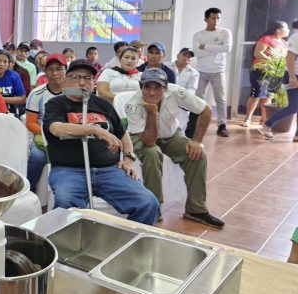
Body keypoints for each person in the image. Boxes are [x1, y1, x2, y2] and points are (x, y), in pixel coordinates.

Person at [43, 60, 159, 225]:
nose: (82, 82)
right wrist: (95, 130)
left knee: (148, 203)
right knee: (65, 202)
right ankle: (68, 239)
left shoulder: (103, 104)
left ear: (93, 83)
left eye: (87, 78)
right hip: (69, 170)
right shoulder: (56, 104)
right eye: (76, 77)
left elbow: (123, 134)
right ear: (66, 80)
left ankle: (125, 239)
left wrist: (128, 158)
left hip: (109, 170)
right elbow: (56, 128)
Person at [123, 69, 224, 228]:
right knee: (152, 153)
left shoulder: (177, 92)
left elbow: (205, 110)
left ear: (166, 87)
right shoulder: (132, 104)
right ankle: (154, 208)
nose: (152, 92)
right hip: (142, 137)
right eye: (147, 87)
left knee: (196, 155)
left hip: (170, 135)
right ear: (141, 87)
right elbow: (149, 141)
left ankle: (196, 209)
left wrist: (197, 141)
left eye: (157, 87)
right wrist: (152, 113)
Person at [25, 53, 67, 193]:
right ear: (45, 72)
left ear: (66, 70)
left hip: (69, 136)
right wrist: (50, 132)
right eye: (50, 69)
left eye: (59, 69)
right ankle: (29, 189)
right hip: (43, 136)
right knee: (37, 157)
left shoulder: (73, 92)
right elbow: (31, 123)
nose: (55, 73)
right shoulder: (37, 94)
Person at [191, 7, 232, 137]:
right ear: (206, 19)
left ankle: (222, 125)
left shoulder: (225, 32)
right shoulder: (198, 35)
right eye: (213, 18)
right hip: (201, 70)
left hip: (218, 70)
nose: (216, 21)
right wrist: (217, 48)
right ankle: (194, 123)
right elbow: (197, 53)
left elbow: (227, 48)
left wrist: (206, 46)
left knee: (221, 99)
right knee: (198, 97)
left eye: (218, 18)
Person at [244, 21, 289, 127]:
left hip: (275, 73)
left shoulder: (284, 42)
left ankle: (264, 120)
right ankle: (248, 118)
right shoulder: (266, 39)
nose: (288, 30)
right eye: (286, 28)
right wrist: (272, 61)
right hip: (261, 71)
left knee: (268, 96)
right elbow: (258, 53)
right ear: (278, 30)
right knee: (256, 96)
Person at [259, 19, 298, 141]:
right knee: (293, 107)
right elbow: (290, 57)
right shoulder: (296, 37)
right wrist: (292, 76)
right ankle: (268, 123)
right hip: (294, 75)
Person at [169, 48, 200, 135]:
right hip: (166, 100)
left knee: (180, 130)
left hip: (182, 103)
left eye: (189, 57)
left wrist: (179, 98)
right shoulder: (166, 66)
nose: (187, 58)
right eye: (184, 55)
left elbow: (191, 90)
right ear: (178, 55)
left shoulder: (194, 73)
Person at [0, 50, 26, 117]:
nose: (2, 64)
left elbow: (22, 99)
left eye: (5, 61)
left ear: (8, 64)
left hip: (10, 110)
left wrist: (0, 99)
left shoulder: (14, 76)